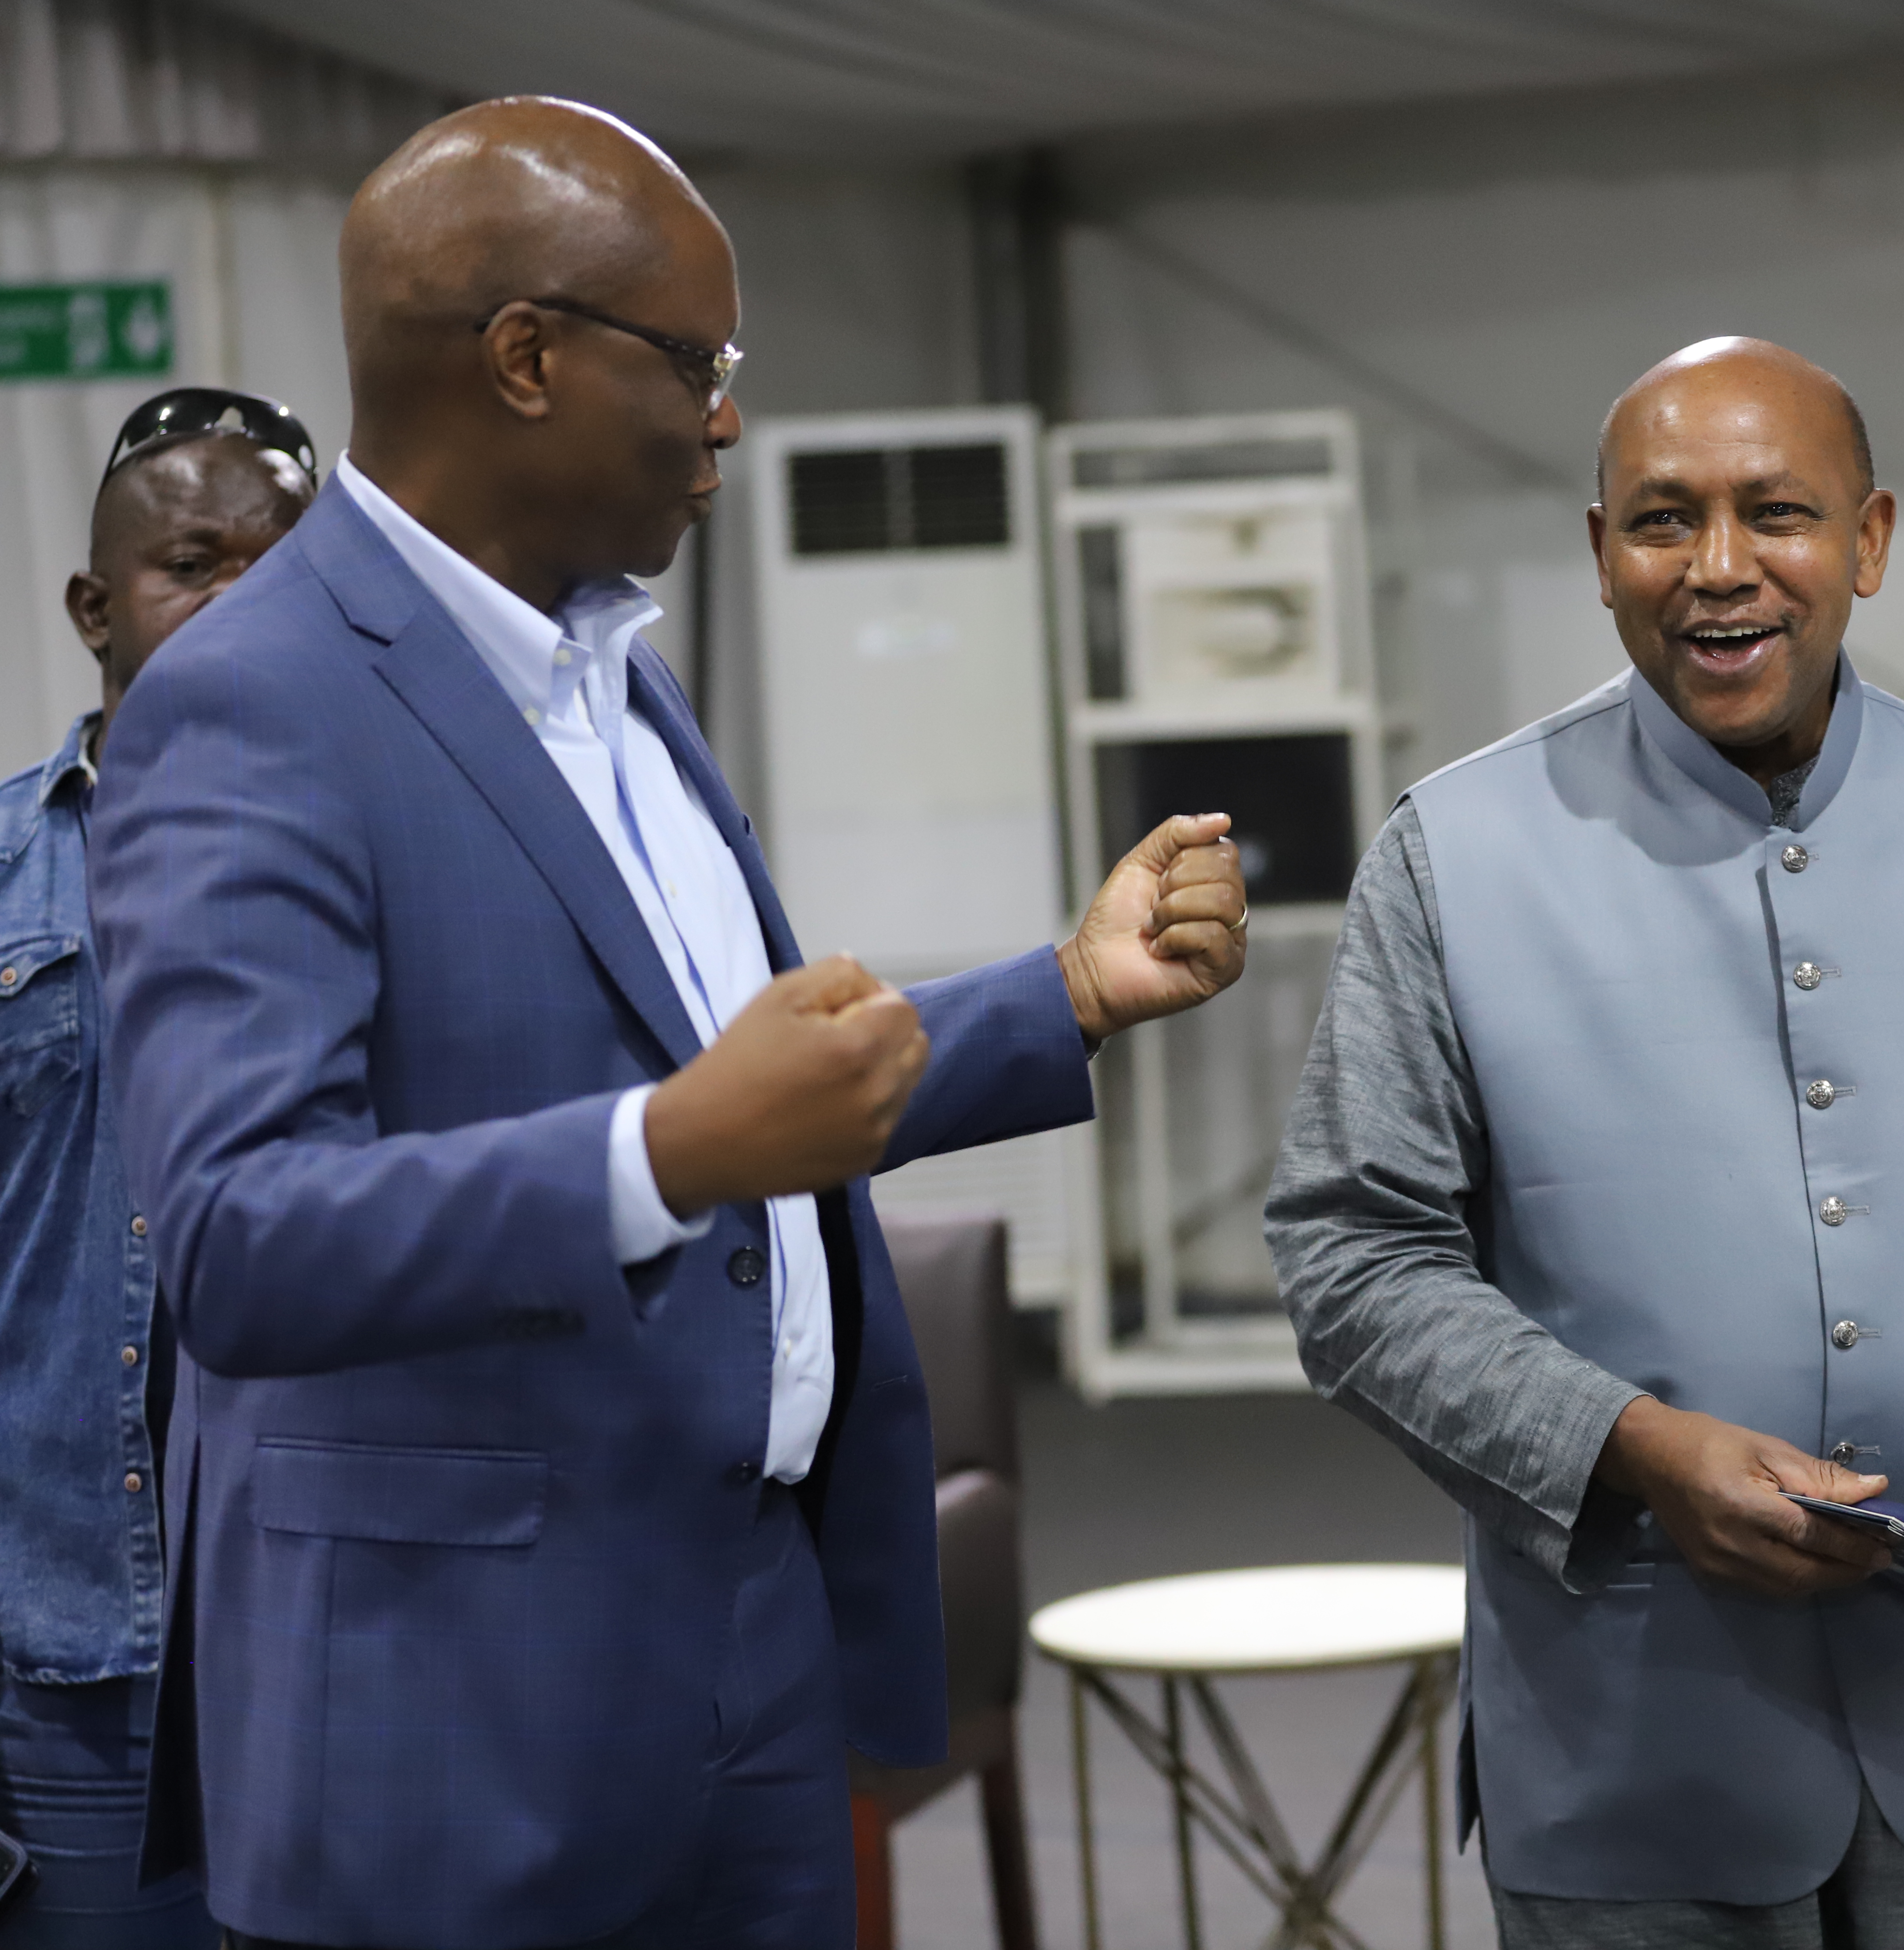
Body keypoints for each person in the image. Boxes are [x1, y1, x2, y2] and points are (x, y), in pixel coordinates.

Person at [89, 99, 1248, 1948]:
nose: (725, 418)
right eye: (696, 364)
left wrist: (1070, 991)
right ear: (525, 359)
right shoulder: (253, 707)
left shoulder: (615, 671)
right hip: (460, 1713)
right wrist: (666, 1152)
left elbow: (739, 1081)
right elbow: (241, 1234)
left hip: (744, 1645)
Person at [1266, 337, 1904, 1950]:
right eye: (1664, 521)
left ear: (1867, 542)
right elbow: (1352, 1251)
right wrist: (1632, 1453)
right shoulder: (1454, 860)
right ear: (1600, 557)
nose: (1722, 570)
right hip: (1641, 1764)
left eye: (1777, 514)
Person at [0, 389, 316, 1950]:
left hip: (343, 1639)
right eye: (198, 564)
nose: (245, 604)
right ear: (93, 606)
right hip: (75, 1666)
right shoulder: (2, 886)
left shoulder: (409, 873)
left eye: (287, 568)